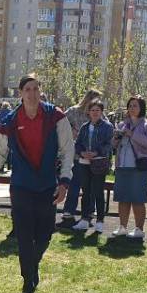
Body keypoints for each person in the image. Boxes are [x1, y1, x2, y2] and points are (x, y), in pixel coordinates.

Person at [0, 74, 74, 293]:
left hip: (47, 187)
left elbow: (67, 150)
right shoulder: (9, 122)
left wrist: (64, 181)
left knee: (45, 236)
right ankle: (28, 279)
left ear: (40, 91)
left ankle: (32, 266)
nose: (32, 94)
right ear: (21, 93)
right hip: (22, 188)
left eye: (36, 89)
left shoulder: (56, 116)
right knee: (24, 237)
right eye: (28, 89)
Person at [110, 96, 147, 239]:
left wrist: (132, 134)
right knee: (122, 197)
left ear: (141, 107)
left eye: (135, 106)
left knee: (137, 198)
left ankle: (139, 229)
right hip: (122, 165)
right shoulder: (122, 124)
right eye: (130, 105)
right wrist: (117, 137)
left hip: (139, 166)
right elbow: (113, 144)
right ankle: (122, 227)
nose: (132, 108)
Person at [58, 89, 103, 228]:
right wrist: (71, 130)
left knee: (89, 186)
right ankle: (68, 212)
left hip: (92, 156)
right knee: (75, 183)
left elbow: (106, 127)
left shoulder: (97, 113)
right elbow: (60, 122)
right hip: (77, 153)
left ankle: (88, 213)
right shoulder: (73, 111)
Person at [69, 101, 115, 233]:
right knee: (86, 192)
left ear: (101, 112)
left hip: (99, 163)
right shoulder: (84, 127)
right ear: (88, 112)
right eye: (92, 110)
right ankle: (84, 219)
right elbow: (78, 144)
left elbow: (108, 144)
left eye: (97, 110)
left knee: (98, 192)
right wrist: (82, 152)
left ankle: (100, 221)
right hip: (84, 162)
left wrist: (96, 152)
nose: (95, 113)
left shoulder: (107, 126)